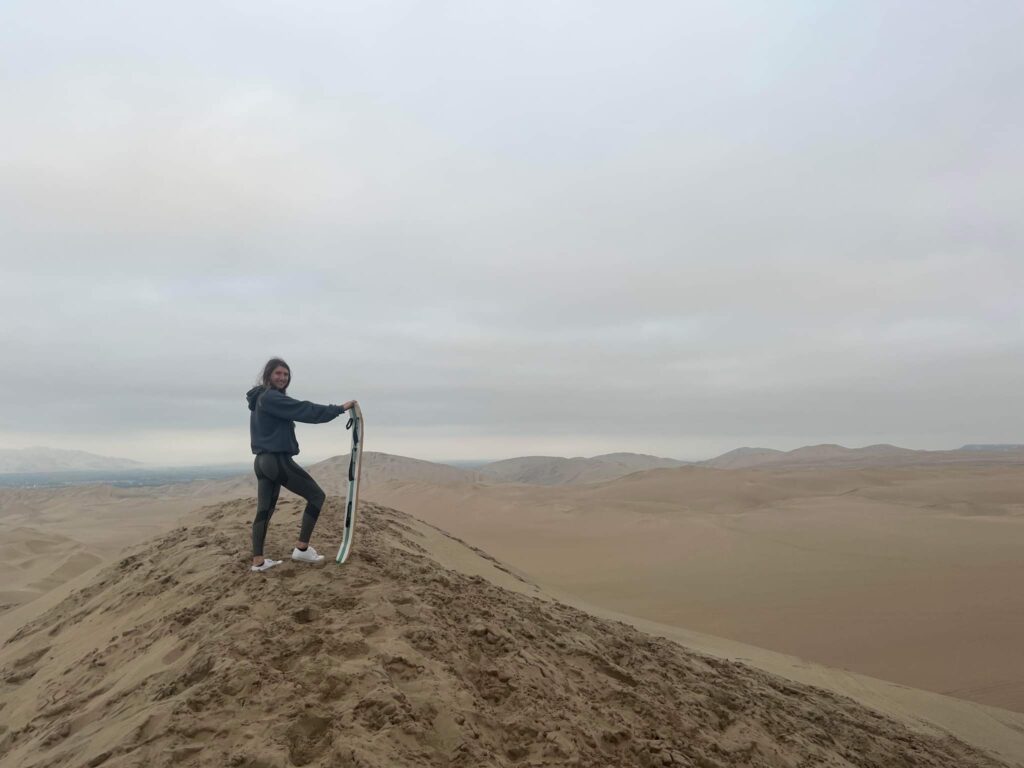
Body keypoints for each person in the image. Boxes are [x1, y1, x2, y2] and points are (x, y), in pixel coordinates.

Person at [245, 357, 355, 572]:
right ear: (268, 375)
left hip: (262, 462)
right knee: (316, 496)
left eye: (286, 374)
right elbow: (305, 410)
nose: (282, 378)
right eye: (278, 373)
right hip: (276, 460)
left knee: (265, 510)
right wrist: (339, 409)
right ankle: (302, 549)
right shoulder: (271, 397)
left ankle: (258, 561)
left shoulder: (261, 399)